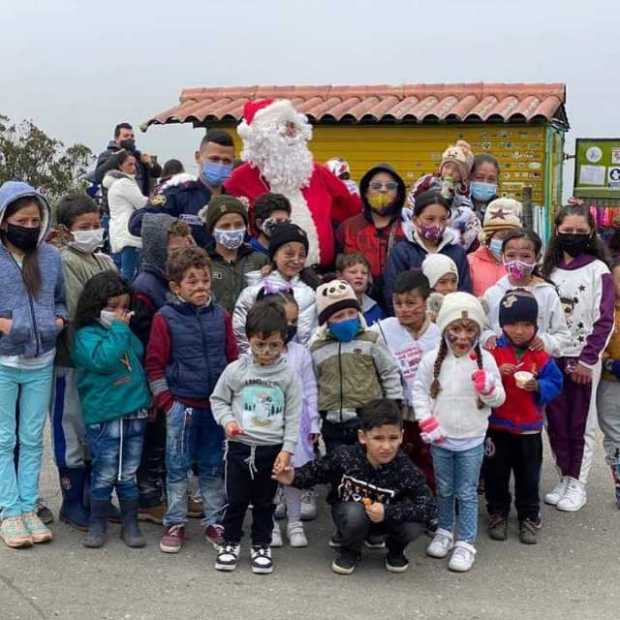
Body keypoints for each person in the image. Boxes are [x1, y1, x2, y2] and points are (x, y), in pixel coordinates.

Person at [273, 399, 436, 575]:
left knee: (414, 524)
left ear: (402, 436)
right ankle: (350, 549)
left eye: (393, 438)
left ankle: (395, 550)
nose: (386, 446)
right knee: (354, 514)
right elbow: (316, 471)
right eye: (378, 438)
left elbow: (428, 506)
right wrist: (293, 476)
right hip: (351, 516)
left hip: (387, 520)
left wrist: (388, 512)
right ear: (363, 437)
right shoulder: (346, 456)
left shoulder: (406, 469)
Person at [145, 246, 237, 553]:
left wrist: (231, 397)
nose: (200, 287)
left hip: (215, 406)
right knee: (177, 466)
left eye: (205, 280)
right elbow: (155, 364)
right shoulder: (165, 318)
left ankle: (214, 520)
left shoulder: (220, 316)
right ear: (175, 287)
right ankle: (175, 521)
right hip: (181, 406)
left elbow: (232, 357)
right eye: (192, 282)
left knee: (212, 465)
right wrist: (167, 401)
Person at [413, 292, 505, 572]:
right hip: (441, 438)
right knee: (444, 488)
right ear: (444, 329)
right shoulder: (431, 359)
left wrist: (488, 389)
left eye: (470, 330)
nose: (462, 336)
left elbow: (499, 398)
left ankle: (465, 542)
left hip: (472, 439)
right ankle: (444, 530)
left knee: (465, 492)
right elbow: (419, 391)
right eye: (455, 329)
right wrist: (426, 420)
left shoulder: (485, 360)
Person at [211, 302, 301, 575]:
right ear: (249, 339)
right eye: (260, 345)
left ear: (283, 340)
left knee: (265, 502)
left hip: (271, 450)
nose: (266, 352)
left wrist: (287, 449)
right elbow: (218, 400)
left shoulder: (287, 375)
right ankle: (230, 542)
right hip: (239, 448)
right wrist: (228, 422)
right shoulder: (236, 370)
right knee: (236, 499)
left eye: (274, 345)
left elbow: (294, 414)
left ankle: (261, 545)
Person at [0, 181, 67, 548]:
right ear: (3, 220)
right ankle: (9, 511)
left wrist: (57, 322)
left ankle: (28, 506)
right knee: (3, 438)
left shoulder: (51, 257)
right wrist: (6, 325)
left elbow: (60, 301)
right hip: (4, 359)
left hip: (42, 359)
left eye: (34, 219)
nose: (28, 226)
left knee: (30, 438)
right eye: (20, 219)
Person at [224, 98, 361, 269]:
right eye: (283, 126)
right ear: (261, 136)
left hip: (322, 274)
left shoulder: (317, 172)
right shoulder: (238, 180)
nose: (290, 131)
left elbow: (352, 210)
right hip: (269, 275)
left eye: (293, 125)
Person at [542, 204, 614, 512]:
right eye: (567, 231)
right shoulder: (548, 271)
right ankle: (564, 476)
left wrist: (588, 359)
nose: (573, 237)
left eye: (580, 232)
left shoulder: (599, 271)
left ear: (591, 234)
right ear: (557, 231)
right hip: (552, 356)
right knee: (555, 421)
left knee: (580, 421)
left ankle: (578, 483)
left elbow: (605, 318)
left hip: (583, 358)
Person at [51, 192, 116, 531]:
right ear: (65, 230)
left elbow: (120, 295)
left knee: (96, 430)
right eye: (84, 226)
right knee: (70, 428)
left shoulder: (105, 260)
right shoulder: (64, 261)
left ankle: (96, 496)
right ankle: (71, 500)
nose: (93, 231)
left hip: (105, 361)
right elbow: (81, 309)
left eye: (96, 224)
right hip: (73, 359)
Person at [72, 272, 151, 548]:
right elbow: (104, 360)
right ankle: (97, 522)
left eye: (124, 307)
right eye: (112, 307)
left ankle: (130, 523)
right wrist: (119, 329)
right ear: (95, 307)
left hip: (135, 411)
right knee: (105, 470)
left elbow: (137, 355)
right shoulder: (85, 336)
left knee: (128, 470)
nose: (120, 313)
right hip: (105, 415)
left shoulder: (124, 332)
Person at [484, 290, 563, 544]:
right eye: (513, 324)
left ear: (536, 326)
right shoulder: (493, 351)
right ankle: (497, 512)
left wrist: (538, 386)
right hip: (497, 426)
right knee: (496, 473)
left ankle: (529, 515)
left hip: (529, 429)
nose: (519, 331)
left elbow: (556, 382)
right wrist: (496, 371)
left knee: (528, 475)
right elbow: (479, 378)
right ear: (502, 324)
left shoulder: (540, 355)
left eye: (527, 325)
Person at [130, 213, 194, 523]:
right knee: (153, 441)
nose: (180, 256)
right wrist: (150, 386)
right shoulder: (146, 286)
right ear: (156, 249)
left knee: (174, 440)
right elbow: (142, 341)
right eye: (173, 251)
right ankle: (149, 497)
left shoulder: (172, 279)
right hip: (156, 378)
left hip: (177, 374)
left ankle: (173, 493)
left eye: (184, 249)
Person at [310, 280, 402, 454]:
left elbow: (389, 371)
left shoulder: (371, 340)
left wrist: (393, 404)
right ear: (326, 321)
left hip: (367, 419)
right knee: (337, 470)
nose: (346, 319)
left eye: (351, 313)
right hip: (332, 423)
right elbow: (314, 384)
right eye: (338, 316)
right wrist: (316, 418)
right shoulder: (317, 348)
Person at [260, 293, 319, 547]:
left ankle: (294, 522)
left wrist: (314, 423)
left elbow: (310, 389)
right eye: (287, 321)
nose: (291, 327)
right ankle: (271, 522)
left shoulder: (301, 354)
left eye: (295, 322)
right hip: (267, 426)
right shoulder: (260, 353)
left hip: (296, 425)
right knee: (269, 477)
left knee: (291, 475)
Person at [372, 271, 441, 490]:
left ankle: (431, 503)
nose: (404, 309)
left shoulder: (439, 333)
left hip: (430, 410)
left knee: (428, 460)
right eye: (398, 303)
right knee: (398, 459)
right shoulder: (383, 330)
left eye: (411, 303)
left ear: (426, 301)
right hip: (398, 410)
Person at [129, 129, 236, 247]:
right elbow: (137, 222)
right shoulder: (176, 194)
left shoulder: (235, 203)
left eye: (226, 161)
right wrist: (175, 229)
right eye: (214, 159)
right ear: (198, 157)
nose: (220, 165)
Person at [482, 229, 570, 358]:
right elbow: (482, 328)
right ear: (502, 256)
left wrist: (544, 342)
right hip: (501, 365)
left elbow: (563, 335)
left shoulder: (547, 293)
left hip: (537, 365)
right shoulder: (493, 293)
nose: (517, 262)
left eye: (525, 256)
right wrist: (488, 337)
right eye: (511, 255)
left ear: (538, 257)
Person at [233, 222, 317, 352]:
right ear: (274, 255)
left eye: (301, 255)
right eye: (289, 254)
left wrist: (300, 360)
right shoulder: (253, 291)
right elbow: (240, 333)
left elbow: (312, 337)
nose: (296, 260)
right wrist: (255, 358)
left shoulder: (310, 293)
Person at [384, 190, 472, 312]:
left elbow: (465, 292)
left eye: (443, 219)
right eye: (430, 219)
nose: (437, 225)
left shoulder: (457, 252)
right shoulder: (402, 252)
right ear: (415, 220)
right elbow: (391, 293)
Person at [336, 163, 405, 304]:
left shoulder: (408, 228)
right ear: (366, 193)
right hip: (356, 304)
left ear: (398, 194)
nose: (383, 190)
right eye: (376, 186)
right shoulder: (348, 227)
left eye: (390, 186)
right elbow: (335, 268)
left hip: (400, 304)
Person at [408, 140, 481, 253]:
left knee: (472, 220)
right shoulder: (428, 180)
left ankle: (457, 250)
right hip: (425, 217)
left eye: (456, 170)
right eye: (447, 167)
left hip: (450, 221)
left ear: (463, 175)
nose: (450, 172)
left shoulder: (464, 189)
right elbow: (412, 198)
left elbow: (467, 208)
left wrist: (455, 199)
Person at [201, 195, 269, 313]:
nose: (233, 230)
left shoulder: (260, 260)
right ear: (212, 229)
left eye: (238, 225)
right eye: (225, 226)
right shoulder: (202, 263)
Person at [103, 151, 147, 280]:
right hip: (129, 235)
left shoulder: (113, 184)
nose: (133, 169)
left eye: (135, 165)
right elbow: (142, 204)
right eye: (130, 165)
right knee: (130, 278)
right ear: (120, 166)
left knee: (121, 275)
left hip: (117, 235)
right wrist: (157, 199)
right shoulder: (124, 183)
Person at [94, 122, 161, 205]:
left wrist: (150, 162)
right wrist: (120, 155)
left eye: (132, 136)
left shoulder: (137, 156)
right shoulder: (108, 155)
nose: (130, 139)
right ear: (116, 139)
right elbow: (98, 176)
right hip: (115, 210)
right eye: (126, 136)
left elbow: (157, 173)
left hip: (138, 207)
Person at [598, 260, 620, 508]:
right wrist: (609, 364)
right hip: (611, 382)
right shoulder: (605, 312)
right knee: (615, 434)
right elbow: (596, 340)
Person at [467, 198, 522, 297]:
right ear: (489, 237)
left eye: (510, 236)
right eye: (501, 236)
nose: (506, 242)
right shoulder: (471, 262)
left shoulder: (521, 264)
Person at [336, 253, 383, 326]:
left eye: (364, 273)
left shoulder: (375, 310)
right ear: (340, 276)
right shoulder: (330, 306)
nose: (359, 276)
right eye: (353, 272)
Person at [469, 154, 500, 221]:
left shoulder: (501, 207)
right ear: (469, 178)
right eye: (479, 177)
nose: (485, 182)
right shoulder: (459, 205)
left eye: (491, 179)